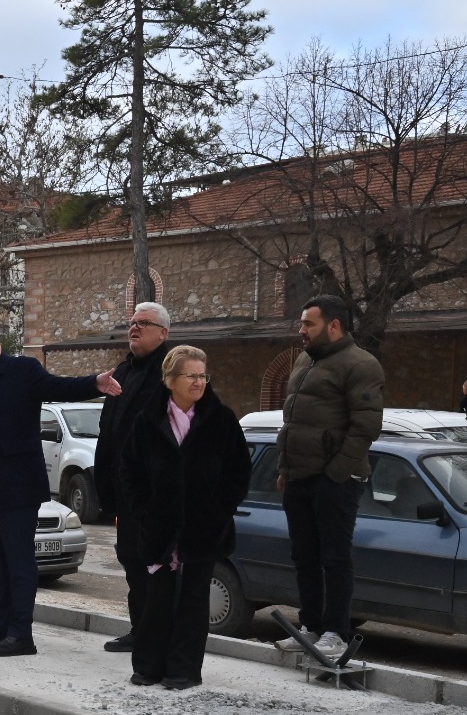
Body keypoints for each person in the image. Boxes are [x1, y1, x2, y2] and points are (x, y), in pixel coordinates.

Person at [0, 318, 121, 656]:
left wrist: (95, 383)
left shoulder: (23, 371)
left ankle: (21, 634)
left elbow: (60, 387)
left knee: (18, 562)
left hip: (17, 486)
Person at [119, 346, 250, 690]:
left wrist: (218, 511)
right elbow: (131, 472)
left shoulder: (221, 420)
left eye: (203, 375)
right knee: (156, 600)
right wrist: (145, 511)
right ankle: (148, 667)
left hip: (203, 529)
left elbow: (238, 473)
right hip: (160, 528)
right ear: (170, 380)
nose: (198, 382)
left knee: (194, 602)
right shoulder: (148, 420)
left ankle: (184, 670)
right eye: (190, 375)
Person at [275, 294, 384, 659]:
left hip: (335, 481)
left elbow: (367, 426)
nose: (301, 330)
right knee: (303, 555)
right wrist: (285, 469)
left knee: (335, 558)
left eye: (309, 323)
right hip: (299, 477)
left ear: (334, 325)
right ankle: (310, 627)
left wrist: (338, 472)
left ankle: (335, 632)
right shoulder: (305, 360)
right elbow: (293, 422)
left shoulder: (361, 364)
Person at [91, 302, 173, 654]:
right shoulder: (123, 372)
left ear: (163, 333)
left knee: (156, 566)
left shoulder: (171, 373)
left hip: (153, 491)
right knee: (131, 560)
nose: (134, 328)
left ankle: (160, 635)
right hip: (123, 489)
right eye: (132, 322)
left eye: (144, 323)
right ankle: (140, 630)